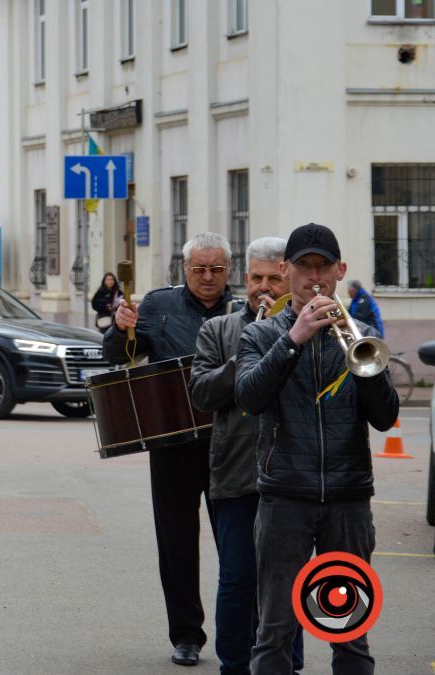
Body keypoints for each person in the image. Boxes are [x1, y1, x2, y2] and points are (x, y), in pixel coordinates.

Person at [236, 223, 397, 674]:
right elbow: (249, 398)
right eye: (303, 267)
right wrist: (293, 339)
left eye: (323, 267)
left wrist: (366, 368)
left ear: (340, 270)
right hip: (285, 496)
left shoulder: (360, 333)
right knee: (276, 631)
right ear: (285, 271)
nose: (314, 277)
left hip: (347, 499)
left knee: (348, 631)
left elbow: (385, 418)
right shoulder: (262, 335)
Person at [104, 232, 234, 667]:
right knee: (177, 546)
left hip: (232, 447)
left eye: (216, 268)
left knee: (237, 546)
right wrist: (120, 328)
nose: (208, 276)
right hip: (173, 446)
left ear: (229, 271)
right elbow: (118, 358)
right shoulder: (158, 306)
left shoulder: (247, 310)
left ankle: (239, 634)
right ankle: (186, 637)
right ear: (184, 269)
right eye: (199, 268)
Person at [189, 237, 303, 675]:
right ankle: (233, 666)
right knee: (237, 579)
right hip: (235, 471)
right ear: (245, 279)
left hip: (291, 474)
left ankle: (288, 664)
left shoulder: (306, 328)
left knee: (288, 582)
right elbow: (200, 393)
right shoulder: (217, 330)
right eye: (256, 278)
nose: (265, 287)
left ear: (288, 277)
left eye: (275, 278)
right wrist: (246, 355)